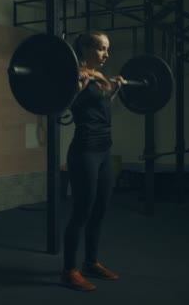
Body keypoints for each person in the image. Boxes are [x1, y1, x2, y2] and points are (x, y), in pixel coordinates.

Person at [60, 31, 126, 292]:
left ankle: (90, 263)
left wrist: (115, 90)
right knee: (82, 212)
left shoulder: (98, 77)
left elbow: (98, 108)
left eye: (107, 49)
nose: (106, 54)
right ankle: (68, 270)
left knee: (100, 209)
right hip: (84, 151)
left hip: (104, 150)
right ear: (85, 49)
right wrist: (76, 86)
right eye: (100, 48)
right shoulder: (76, 74)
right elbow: (62, 105)